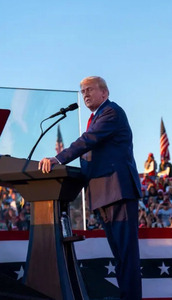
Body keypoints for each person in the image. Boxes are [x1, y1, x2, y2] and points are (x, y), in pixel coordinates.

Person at [38, 76, 142, 299]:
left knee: (126, 255)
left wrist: (58, 159)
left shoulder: (111, 112)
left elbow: (88, 140)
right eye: (82, 90)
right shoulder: (97, 117)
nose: (85, 94)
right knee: (120, 255)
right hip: (104, 194)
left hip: (118, 191)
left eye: (90, 90)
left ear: (104, 93)